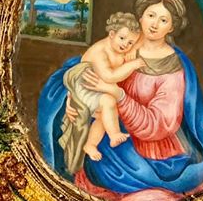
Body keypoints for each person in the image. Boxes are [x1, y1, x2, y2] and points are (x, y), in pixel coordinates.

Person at [38, 0, 203, 201]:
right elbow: (88, 68)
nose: (154, 24)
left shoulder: (172, 67)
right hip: (109, 138)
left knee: (146, 194)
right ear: (141, 17)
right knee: (99, 171)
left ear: (171, 27)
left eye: (163, 20)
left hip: (154, 150)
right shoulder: (126, 42)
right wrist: (74, 98)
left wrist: (120, 96)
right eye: (151, 15)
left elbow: (161, 123)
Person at [59, 12, 146, 172]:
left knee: (103, 116)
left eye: (130, 43)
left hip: (96, 87)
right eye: (122, 38)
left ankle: (90, 144)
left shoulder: (120, 45)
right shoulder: (101, 52)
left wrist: (134, 46)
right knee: (108, 102)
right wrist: (132, 64)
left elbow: (141, 37)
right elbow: (109, 76)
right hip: (85, 85)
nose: (126, 45)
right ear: (112, 34)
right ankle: (114, 134)